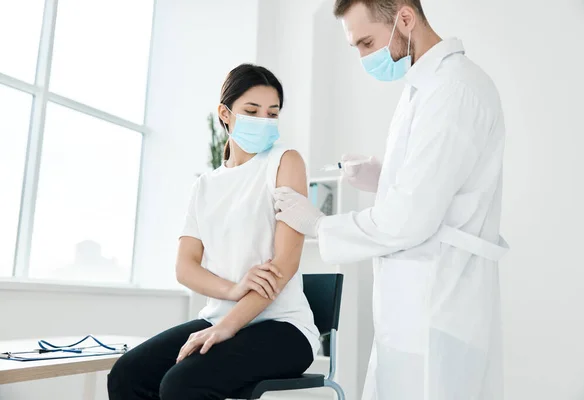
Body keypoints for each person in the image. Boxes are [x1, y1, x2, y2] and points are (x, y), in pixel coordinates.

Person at [274, 1, 509, 399]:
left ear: (404, 18)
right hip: (417, 305)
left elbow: (411, 218)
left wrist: (320, 225)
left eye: (367, 42)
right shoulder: (425, 87)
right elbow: (438, 185)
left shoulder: (453, 89)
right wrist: (385, 179)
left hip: (438, 304)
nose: (365, 57)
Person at [107, 64, 320, 400]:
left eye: (272, 113)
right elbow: (186, 267)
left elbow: (284, 264)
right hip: (218, 317)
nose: (263, 120)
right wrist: (232, 290)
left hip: (284, 328)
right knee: (128, 373)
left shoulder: (285, 162)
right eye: (251, 111)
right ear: (225, 112)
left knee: (182, 385)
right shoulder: (205, 186)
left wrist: (227, 327)